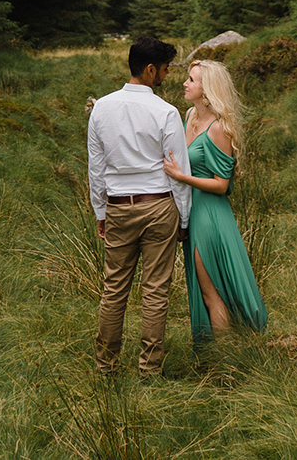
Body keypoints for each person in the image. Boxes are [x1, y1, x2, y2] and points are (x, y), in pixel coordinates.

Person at [86, 36, 190, 377]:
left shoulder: (101, 107)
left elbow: (96, 166)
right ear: (149, 70)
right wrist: (184, 219)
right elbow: (179, 172)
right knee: (155, 290)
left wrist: (100, 211)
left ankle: (106, 366)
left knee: (114, 288)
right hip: (160, 207)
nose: (166, 76)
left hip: (117, 206)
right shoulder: (166, 112)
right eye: (163, 70)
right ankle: (149, 370)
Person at [162, 57, 267, 341]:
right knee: (207, 289)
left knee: (212, 292)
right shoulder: (189, 116)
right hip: (192, 212)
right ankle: (223, 351)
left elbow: (221, 185)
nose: (185, 83)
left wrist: (182, 178)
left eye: (192, 80)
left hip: (210, 216)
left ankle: (226, 362)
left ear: (207, 91)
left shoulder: (219, 129)